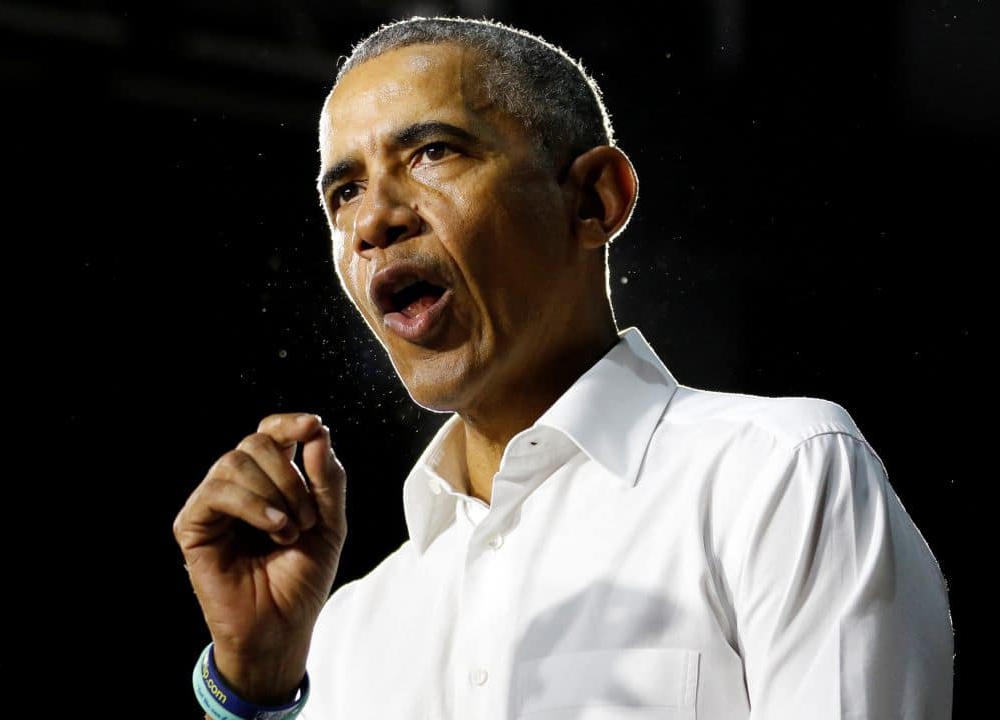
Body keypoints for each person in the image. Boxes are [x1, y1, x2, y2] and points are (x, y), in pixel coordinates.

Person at [172, 15, 954, 720]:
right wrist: (258, 682)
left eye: (432, 151)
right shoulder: (345, 630)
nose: (372, 220)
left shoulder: (776, 476)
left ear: (594, 200)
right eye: (344, 191)